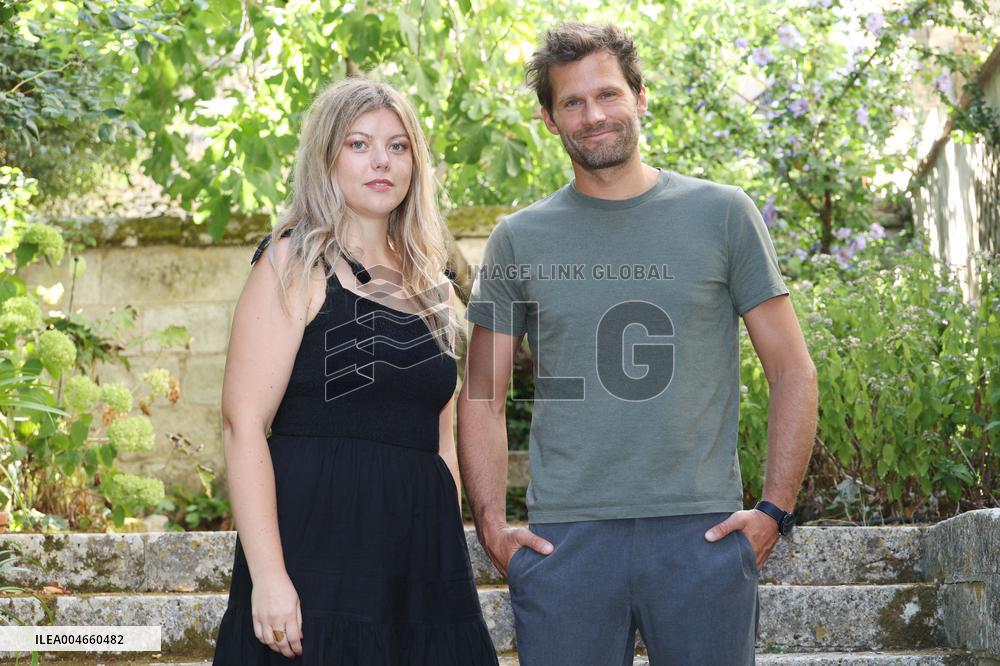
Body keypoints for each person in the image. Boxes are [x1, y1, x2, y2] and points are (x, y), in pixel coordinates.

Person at [457, 22, 818, 666]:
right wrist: (491, 526)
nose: (593, 114)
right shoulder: (519, 238)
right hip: (564, 540)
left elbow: (792, 370)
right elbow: (481, 394)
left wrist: (774, 512)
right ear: (549, 119)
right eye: (572, 101)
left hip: (700, 532)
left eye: (609, 94)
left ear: (640, 97)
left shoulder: (724, 214)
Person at [212, 77, 499, 665]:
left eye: (398, 146)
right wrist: (269, 576)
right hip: (316, 548)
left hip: (418, 560)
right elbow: (243, 423)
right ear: (327, 156)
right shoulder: (293, 262)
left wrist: (444, 556)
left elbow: (441, 438)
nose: (381, 162)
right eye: (359, 144)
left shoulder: (438, 289)